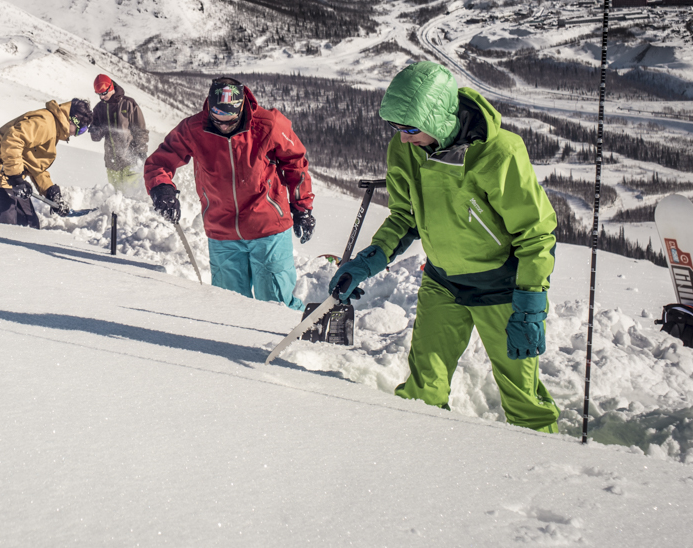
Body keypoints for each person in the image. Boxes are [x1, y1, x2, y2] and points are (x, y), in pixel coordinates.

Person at [328, 61, 560, 433]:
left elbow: (535, 233)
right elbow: (405, 216)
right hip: (443, 283)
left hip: (500, 287)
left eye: (409, 128)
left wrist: (530, 307)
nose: (401, 138)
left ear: (437, 118)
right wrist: (369, 260)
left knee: (524, 400)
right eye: (395, 127)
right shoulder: (405, 149)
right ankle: (422, 465)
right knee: (422, 391)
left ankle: (549, 475)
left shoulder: (499, 152)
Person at [144, 77, 315, 309]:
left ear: (241, 107)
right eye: (218, 117)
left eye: (229, 119)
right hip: (221, 231)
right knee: (229, 306)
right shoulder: (194, 129)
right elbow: (159, 162)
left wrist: (302, 208)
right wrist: (161, 188)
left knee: (275, 303)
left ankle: (289, 342)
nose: (223, 125)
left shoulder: (269, 124)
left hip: (268, 228)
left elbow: (296, 162)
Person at [0, 98, 92, 228]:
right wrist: (16, 178)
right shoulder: (45, 123)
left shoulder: (53, 128)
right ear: (71, 120)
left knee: (30, 225)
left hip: (8, 173)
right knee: (8, 230)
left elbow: (33, 162)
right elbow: (12, 139)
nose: (76, 135)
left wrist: (50, 191)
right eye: (80, 130)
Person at [88, 74, 149, 191]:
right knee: (115, 201)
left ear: (111, 87)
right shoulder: (99, 108)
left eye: (103, 93)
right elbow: (95, 137)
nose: (101, 97)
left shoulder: (129, 104)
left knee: (132, 199)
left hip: (131, 162)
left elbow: (140, 131)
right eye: (99, 94)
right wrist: (96, 131)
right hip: (112, 164)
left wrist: (141, 153)